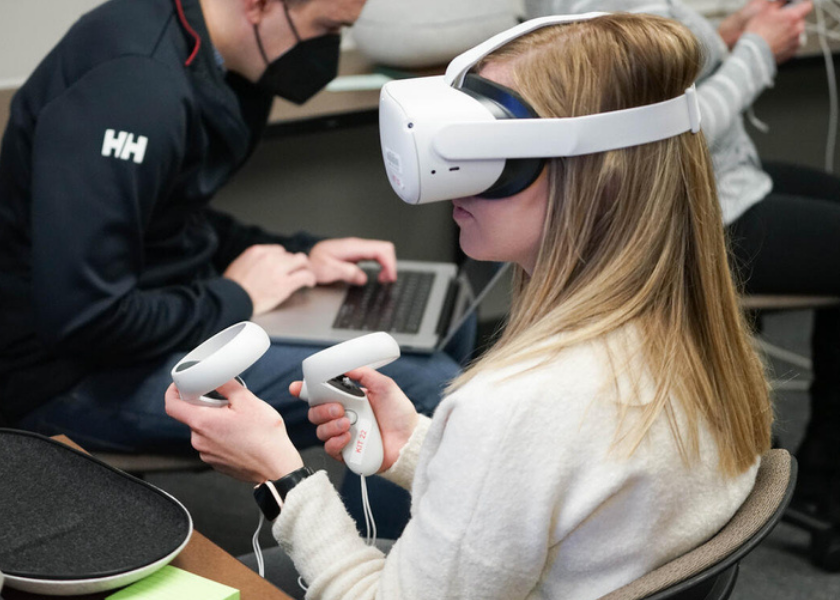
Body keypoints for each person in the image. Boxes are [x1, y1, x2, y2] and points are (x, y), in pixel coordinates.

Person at [166, 12, 773, 599]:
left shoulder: (515, 403)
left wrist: (282, 478)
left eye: (488, 144)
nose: (453, 177)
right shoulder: (701, 342)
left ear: (598, 172)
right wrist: (416, 447)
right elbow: (561, 491)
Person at [0, 0, 465, 456]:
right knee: (417, 385)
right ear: (259, 6)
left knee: (444, 317)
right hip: (68, 376)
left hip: (162, 311)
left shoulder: (212, 56)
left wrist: (300, 256)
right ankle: (384, 537)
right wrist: (237, 297)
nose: (329, 48)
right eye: (325, 27)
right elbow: (86, 320)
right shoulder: (133, 88)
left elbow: (167, 223)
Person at [528, 0, 840, 543]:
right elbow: (670, 131)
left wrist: (724, 37)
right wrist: (757, 53)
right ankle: (824, 474)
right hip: (692, 211)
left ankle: (821, 466)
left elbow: (654, 73)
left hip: (724, 182)